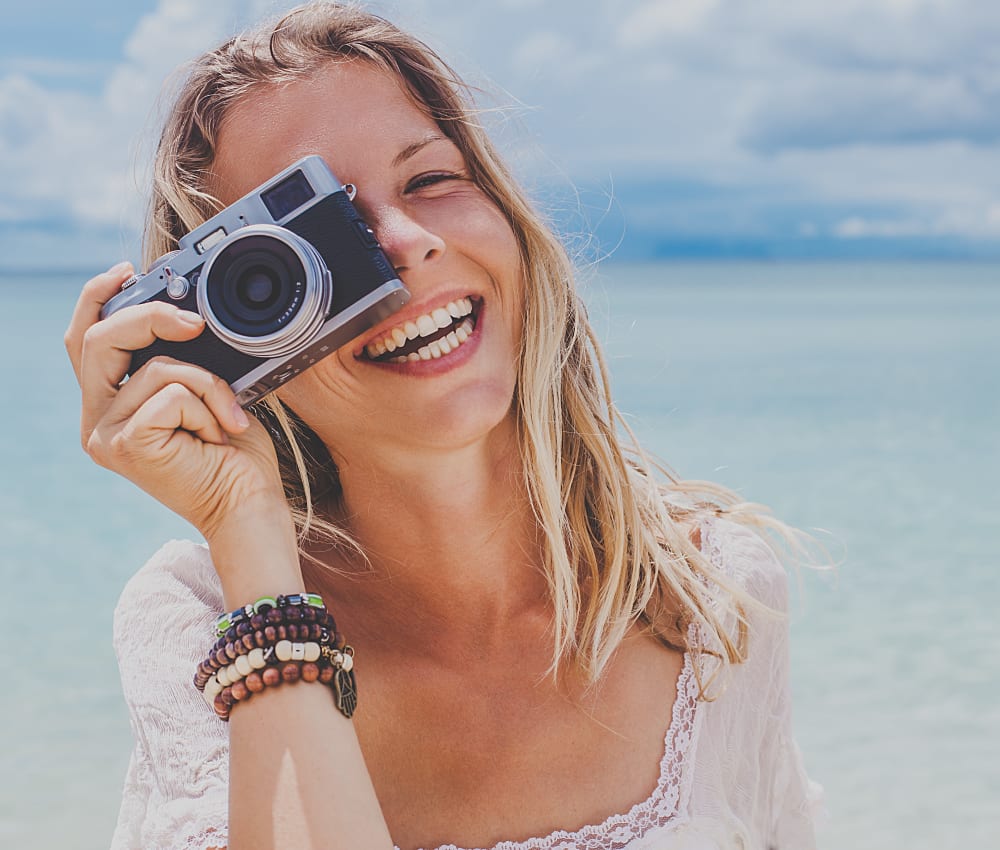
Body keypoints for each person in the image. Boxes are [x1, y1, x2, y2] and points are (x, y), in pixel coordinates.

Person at [64, 3, 823, 848]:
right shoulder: (198, 623)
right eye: (307, 243)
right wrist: (250, 537)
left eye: (430, 180)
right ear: (220, 341)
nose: (406, 242)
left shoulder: (710, 598)